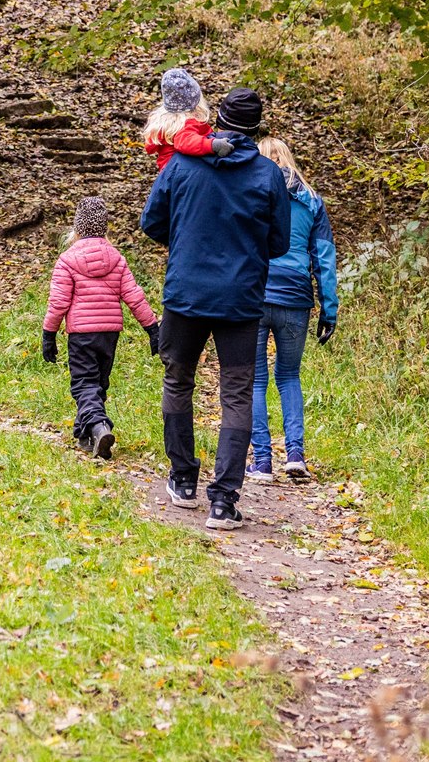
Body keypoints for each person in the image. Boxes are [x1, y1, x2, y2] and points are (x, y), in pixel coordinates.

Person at [139, 87, 292, 530]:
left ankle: (183, 479)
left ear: (217, 120)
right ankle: (224, 502)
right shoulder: (267, 176)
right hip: (241, 300)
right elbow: (279, 243)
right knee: (237, 394)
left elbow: (152, 222)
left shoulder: (182, 165)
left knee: (178, 379)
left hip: (185, 293)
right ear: (258, 128)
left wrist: (186, 241)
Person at [245, 138, 339, 485]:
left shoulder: (250, 190)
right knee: (289, 376)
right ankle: (296, 456)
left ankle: (262, 462)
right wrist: (329, 310)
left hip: (255, 294)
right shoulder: (312, 201)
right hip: (296, 297)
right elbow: (325, 259)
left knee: (254, 379)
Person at [40, 196, 157, 460]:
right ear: (104, 227)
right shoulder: (116, 258)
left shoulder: (67, 260)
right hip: (109, 334)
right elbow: (134, 295)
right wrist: (152, 328)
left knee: (84, 384)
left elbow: (58, 302)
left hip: (82, 333)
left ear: (77, 228)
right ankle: (86, 434)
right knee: (98, 384)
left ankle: (100, 426)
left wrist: (49, 334)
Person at [142, 68, 234, 170]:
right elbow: (186, 142)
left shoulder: (163, 121)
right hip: (184, 172)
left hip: (169, 175)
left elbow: (150, 147)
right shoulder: (187, 124)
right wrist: (212, 145)